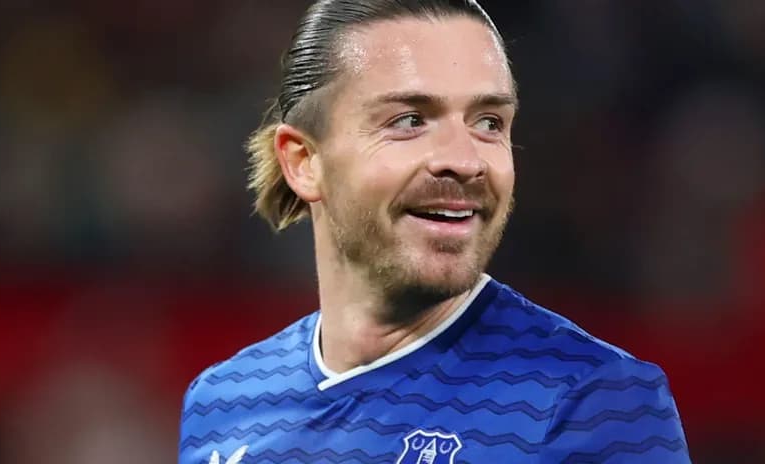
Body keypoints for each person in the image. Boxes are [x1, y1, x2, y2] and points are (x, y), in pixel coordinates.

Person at [178, 1, 691, 462]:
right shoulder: (222, 402)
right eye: (409, 120)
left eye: (489, 122)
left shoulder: (594, 402)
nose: (465, 160)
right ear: (304, 162)